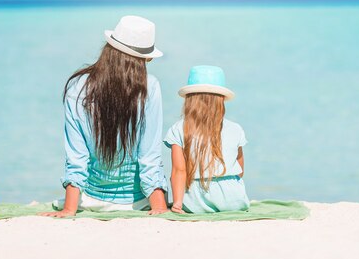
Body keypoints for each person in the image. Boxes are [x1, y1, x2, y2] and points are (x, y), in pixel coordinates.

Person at [40, 15, 168, 217]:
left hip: (90, 201)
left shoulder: (77, 87)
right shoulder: (149, 87)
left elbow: (77, 158)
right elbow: (149, 156)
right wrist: (160, 207)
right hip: (139, 202)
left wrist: (69, 209)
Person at [164, 65, 249, 213]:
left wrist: (177, 202)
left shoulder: (179, 129)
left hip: (196, 201)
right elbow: (240, 170)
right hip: (233, 200)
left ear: (189, 100)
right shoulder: (236, 129)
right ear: (221, 100)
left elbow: (179, 170)